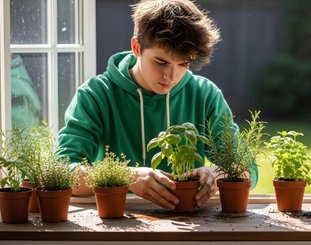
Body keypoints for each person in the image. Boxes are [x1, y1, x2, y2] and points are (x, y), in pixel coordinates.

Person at [56, 0, 258, 210]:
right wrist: (127, 177)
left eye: (183, 63)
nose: (171, 76)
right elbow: (62, 171)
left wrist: (219, 173)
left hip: (190, 223)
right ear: (136, 47)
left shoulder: (205, 95)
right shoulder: (96, 95)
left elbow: (248, 169)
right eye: (161, 62)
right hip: (117, 222)